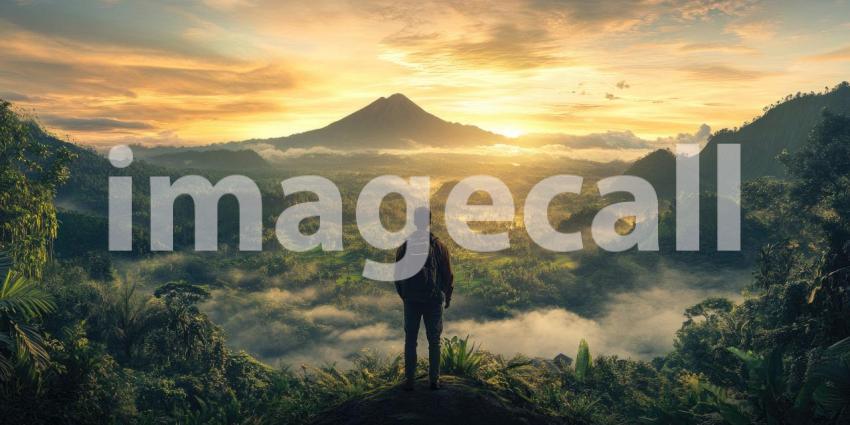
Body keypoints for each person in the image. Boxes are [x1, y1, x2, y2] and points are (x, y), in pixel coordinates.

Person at [395, 207, 453, 391]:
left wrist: (405, 296)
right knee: (434, 340)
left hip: (412, 300)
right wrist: (447, 297)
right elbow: (448, 275)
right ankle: (434, 380)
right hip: (433, 300)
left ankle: (410, 380)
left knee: (410, 339)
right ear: (429, 221)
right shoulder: (438, 246)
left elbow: (397, 274)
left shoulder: (405, 245)